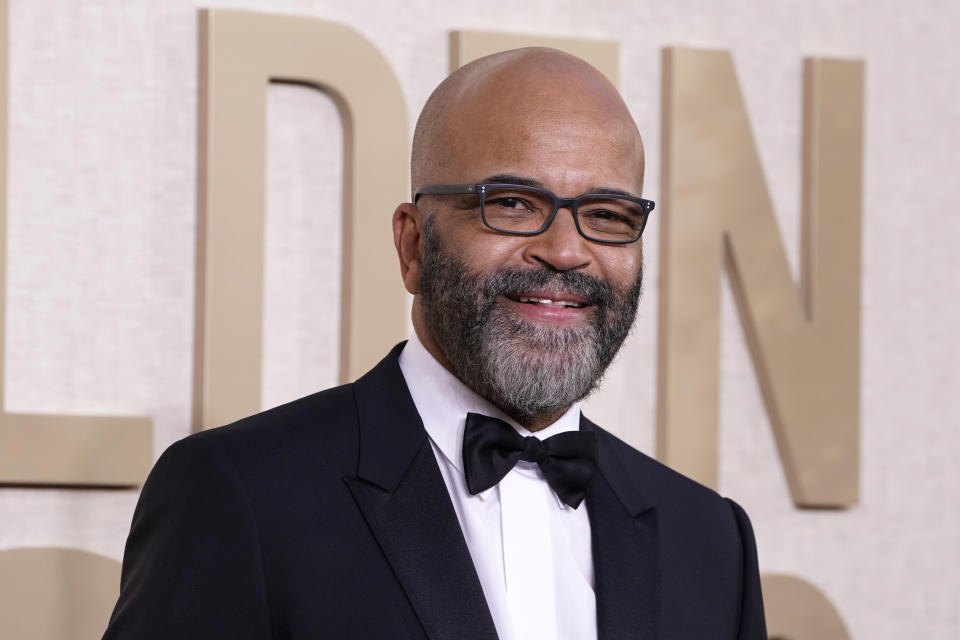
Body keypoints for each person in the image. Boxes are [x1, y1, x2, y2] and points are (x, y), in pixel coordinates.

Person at [103, 47, 766, 640]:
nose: (566, 251)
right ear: (413, 244)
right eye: (510, 203)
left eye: (606, 215)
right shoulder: (240, 496)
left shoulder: (712, 541)